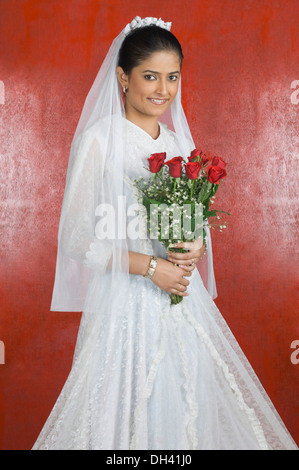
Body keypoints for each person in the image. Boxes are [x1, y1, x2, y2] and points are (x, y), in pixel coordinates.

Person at [32, 17, 297, 450]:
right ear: (123, 77)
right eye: (150, 76)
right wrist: (151, 266)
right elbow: (76, 236)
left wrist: (194, 243)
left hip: (180, 298)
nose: (163, 89)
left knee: (183, 403)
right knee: (121, 409)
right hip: (124, 300)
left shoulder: (176, 143)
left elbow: (191, 218)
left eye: (172, 77)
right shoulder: (100, 140)